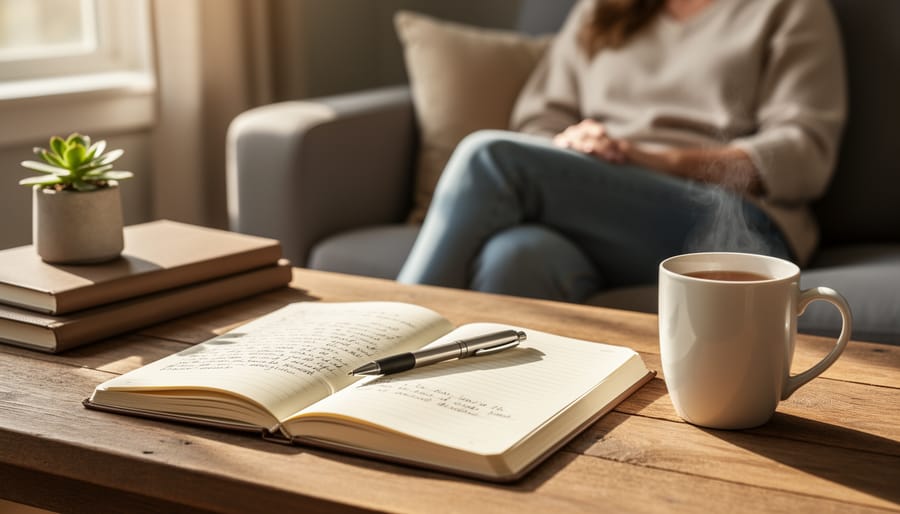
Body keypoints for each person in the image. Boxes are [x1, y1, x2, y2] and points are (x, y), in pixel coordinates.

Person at [397, 0, 846, 304]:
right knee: (516, 257)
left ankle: (377, 339)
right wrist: (577, 143)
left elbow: (804, 153)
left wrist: (647, 157)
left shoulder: (786, 9)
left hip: (731, 220)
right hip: (599, 204)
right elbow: (538, 122)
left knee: (488, 156)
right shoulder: (601, 10)